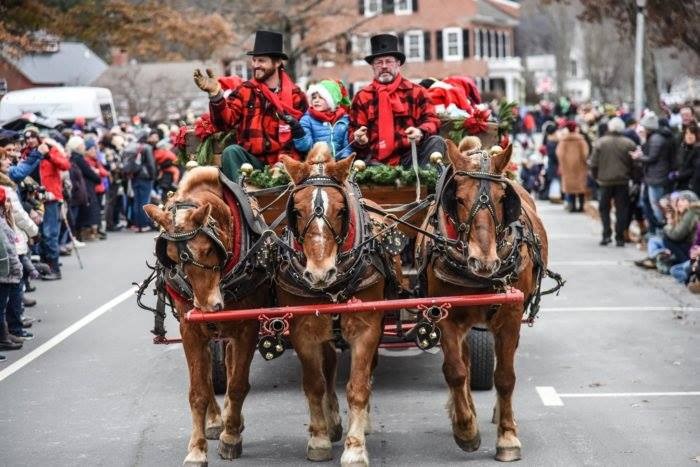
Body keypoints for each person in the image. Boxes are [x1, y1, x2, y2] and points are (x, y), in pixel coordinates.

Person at [193, 30, 308, 180]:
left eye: (262, 61)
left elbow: (302, 137)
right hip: (252, 162)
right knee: (231, 152)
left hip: (285, 164)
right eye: (254, 60)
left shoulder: (296, 95)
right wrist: (216, 96)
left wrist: (284, 164)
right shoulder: (245, 91)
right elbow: (224, 123)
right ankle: (244, 201)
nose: (255, 65)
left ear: (278, 62)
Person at [349, 34, 443, 167]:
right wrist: (359, 139)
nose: (384, 66)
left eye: (388, 61)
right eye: (379, 62)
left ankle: (425, 185)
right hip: (375, 162)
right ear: (373, 67)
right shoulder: (362, 96)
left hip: (411, 158)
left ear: (398, 63)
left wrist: (420, 132)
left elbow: (432, 120)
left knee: (436, 141)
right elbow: (353, 131)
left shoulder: (417, 92)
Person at [23, 129, 71, 280]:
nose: (30, 141)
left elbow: (65, 165)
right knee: (39, 234)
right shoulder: (26, 153)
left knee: (50, 233)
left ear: (38, 137)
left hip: (50, 198)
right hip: (33, 199)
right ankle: (45, 266)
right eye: (27, 138)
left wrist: (48, 155)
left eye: (32, 137)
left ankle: (55, 268)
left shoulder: (50, 148)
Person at [589, 117, 637, 246]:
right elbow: (635, 164)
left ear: (610, 127)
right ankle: (620, 237)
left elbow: (593, 164)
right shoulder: (629, 143)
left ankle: (606, 234)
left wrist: (596, 177)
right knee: (622, 209)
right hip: (623, 181)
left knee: (604, 208)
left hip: (604, 182)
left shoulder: (600, 143)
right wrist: (632, 177)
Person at [632, 111, 675, 233]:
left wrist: (638, 157)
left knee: (656, 206)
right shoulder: (657, 137)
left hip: (656, 177)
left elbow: (652, 157)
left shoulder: (656, 138)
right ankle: (655, 231)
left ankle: (659, 232)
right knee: (651, 204)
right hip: (655, 176)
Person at [635, 191, 699, 270]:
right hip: (689, 247)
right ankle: (656, 258)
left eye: (683, 200)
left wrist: (666, 228)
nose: (679, 203)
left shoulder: (691, 212)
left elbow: (676, 235)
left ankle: (657, 259)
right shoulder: (685, 212)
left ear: (691, 202)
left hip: (692, 249)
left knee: (666, 239)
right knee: (654, 240)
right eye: (679, 200)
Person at [0, 188, 31, 343]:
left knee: (4, 306)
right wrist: (17, 269)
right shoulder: (2, 223)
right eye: (6, 201)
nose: (9, 204)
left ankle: (7, 333)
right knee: (3, 306)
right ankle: (8, 334)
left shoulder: (5, 220)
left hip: (8, 272)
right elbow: (9, 251)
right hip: (6, 273)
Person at [292, 79, 352, 159]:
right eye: (314, 98)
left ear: (332, 101)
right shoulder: (307, 119)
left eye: (321, 97)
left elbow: (347, 145)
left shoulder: (344, 120)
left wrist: (344, 159)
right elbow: (304, 147)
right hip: (317, 163)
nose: (316, 100)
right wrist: (298, 132)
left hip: (339, 163)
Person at [556, 120, 589, 212]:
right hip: (580, 167)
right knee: (581, 186)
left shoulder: (563, 140)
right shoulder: (581, 140)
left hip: (567, 168)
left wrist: (563, 163)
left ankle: (572, 206)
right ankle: (581, 206)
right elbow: (585, 153)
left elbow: (559, 153)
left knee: (570, 187)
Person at [669, 122, 700, 195]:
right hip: (681, 184)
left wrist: (678, 175)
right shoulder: (684, 147)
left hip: (691, 186)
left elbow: (694, 169)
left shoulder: (697, 150)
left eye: (692, 134)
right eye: (687, 133)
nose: (689, 136)